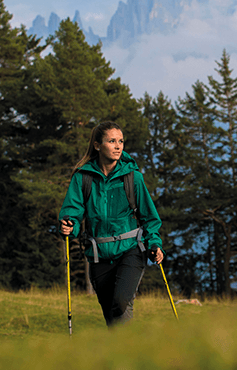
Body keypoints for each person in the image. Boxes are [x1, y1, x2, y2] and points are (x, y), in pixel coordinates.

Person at [59, 121, 164, 327]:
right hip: (99, 254)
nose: (118, 146)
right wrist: (70, 226)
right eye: (112, 141)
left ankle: (130, 351)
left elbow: (149, 217)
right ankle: (123, 354)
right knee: (111, 315)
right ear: (97, 145)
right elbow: (72, 211)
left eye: (121, 141)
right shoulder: (83, 178)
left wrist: (155, 243)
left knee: (121, 302)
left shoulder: (133, 178)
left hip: (131, 249)